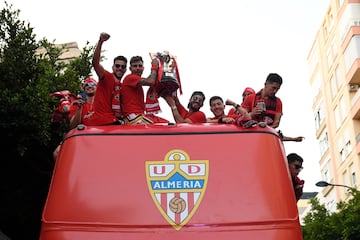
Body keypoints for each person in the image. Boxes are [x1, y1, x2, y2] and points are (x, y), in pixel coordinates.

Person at [83, 32, 127, 126]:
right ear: (113, 67)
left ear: (125, 70)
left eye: (123, 67)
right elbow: (95, 63)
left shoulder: (122, 86)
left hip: (114, 120)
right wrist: (100, 42)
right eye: (117, 66)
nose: (120, 68)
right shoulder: (107, 77)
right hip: (101, 122)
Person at [53, 78, 98, 161]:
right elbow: (73, 126)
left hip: (98, 137)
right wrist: (79, 109)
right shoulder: (77, 105)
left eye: (92, 84)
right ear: (84, 88)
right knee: (57, 153)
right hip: (83, 138)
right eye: (87, 85)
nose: (89, 86)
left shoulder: (102, 104)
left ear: (97, 87)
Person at [121, 55, 169, 124]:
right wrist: (154, 66)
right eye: (135, 66)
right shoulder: (130, 78)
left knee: (167, 124)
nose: (138, 68)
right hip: (132, 116)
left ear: (143, 68)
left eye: (140, 66)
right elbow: (151, 81)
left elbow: (151, 79)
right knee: (162, 126)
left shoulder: (136, 80)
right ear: (130, 68)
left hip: (138, 116)